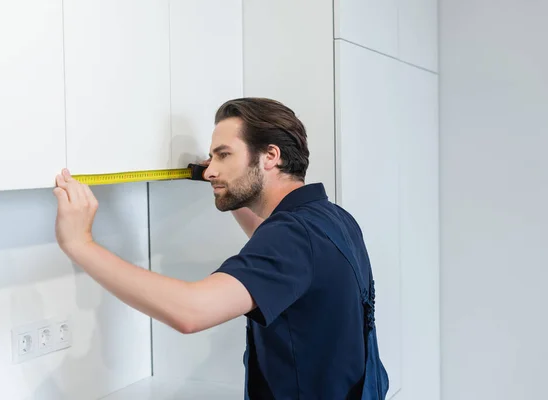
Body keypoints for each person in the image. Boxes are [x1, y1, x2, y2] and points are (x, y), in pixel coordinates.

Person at [53, 97, 388, 399]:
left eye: (224, 155)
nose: (211, 169)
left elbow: (191, 311)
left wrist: (80, 243)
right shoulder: (330, 218)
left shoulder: (292, 237)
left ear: (270, 156)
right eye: (212, 157)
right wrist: (225, 187)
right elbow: (275, 254)